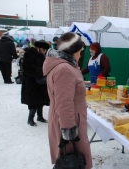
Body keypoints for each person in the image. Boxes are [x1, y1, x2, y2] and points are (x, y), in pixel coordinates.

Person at [43, 32, 92, 169]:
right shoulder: (65, 69)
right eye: (80, 50)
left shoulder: (63, 66)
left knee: (70, 162)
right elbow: (64, 103)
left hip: (67, 119)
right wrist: (69, 133)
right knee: (71, 161)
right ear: (73, 50)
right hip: (69, 123)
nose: (81, 53)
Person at [21, 39, 50, 126]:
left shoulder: (41, 54)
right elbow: (27, 67)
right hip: (31, 82)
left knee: (41, 100)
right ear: (40, 48)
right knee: (33, 101)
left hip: (40, 81)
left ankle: (40, 116)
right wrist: (40, 72)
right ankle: (30, 119)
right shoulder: (29, 53)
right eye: (44, 49)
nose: (45, 51)